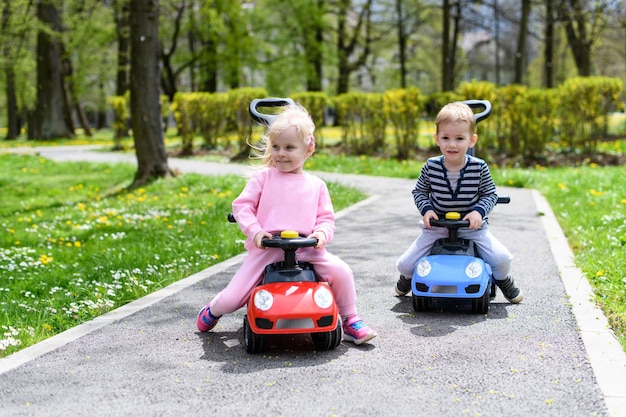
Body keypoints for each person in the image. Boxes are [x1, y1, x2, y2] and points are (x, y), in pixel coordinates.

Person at [197, 103, 377, 345]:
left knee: (341, 271)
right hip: (267, 250)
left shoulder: (316, 185)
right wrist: (256, 232)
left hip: (307, 248)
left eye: (289, 147)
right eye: (276, 147)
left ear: (308, 149)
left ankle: (351, 320)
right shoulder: (263, 178)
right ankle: (214, 309)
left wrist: (321, 234)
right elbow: (242, 207)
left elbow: (326, 218)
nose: (281, 153)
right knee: (233, 297)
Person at [395, 102, 523, 303]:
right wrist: (427, 210)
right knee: (404, 263)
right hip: (437, 227)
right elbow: (419, 191)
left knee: (502, 258)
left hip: (472, 228)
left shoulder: (479, 168)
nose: (452, 144)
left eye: (459, 138)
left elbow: (490, 194)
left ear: (472, 141)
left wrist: (479, 212)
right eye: (445, 138)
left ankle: (503, 281)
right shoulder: (431, 166)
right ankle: (407, 279)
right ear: (437, 139)